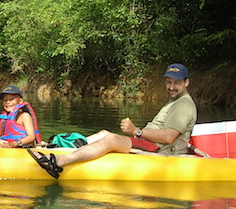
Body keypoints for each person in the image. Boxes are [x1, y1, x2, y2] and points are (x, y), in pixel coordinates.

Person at [28, 63, 197, 178]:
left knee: (111, 139)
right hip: (150, 144)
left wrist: (136, 131)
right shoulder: (175, 100)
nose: (171, 87)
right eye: (168, 82)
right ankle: (57, 148)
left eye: (176, 83)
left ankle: (58, 162)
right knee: (104, 133)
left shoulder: (184, 105)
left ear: (186, 83)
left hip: (160, 151)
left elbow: (169, 137)